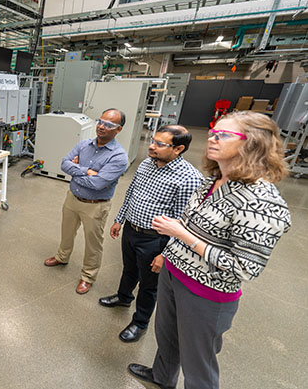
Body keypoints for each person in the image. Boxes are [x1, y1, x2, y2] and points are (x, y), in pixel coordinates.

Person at [128, 111, 291, 389]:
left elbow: (245, 267)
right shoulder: (211, 181)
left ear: (253, 144)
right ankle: (161, 377)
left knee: (198, 362)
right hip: (173, 274)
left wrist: (181, 234)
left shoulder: (262, 201)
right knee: (167, 337)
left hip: (207, 292)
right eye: (214, 132)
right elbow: (192, 226)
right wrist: (169, 251)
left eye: (224, 135)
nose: (212, 139)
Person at [99, 125, 203, 343]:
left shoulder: (189, 178)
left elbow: (184, 223)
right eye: (153, 141)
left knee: (149, 284)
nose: (151, 146)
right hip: (131, 229)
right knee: (129, 270)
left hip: (155, 239)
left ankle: (140, 322)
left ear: (179, 149)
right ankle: (124, 297)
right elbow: (132, 192)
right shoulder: (146, 163)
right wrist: (120, 219)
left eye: (159, 144)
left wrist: (164, 254)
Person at [44, 109, 129, 294]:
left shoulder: (118, 156)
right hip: (72, 198)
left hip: (95, 206)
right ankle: (62, 256)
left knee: (93, 243)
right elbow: (64, 163)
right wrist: (86, 170)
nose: (101, 126)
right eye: (100, 121)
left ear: (119, 129)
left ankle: (88, 276)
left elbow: (98, 184)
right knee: (66, 233)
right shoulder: (84, 144)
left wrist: (76, 171)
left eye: (109, 124)